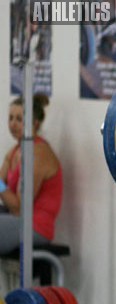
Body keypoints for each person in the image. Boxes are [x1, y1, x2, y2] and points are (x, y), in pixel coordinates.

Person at [0, 93, 62, 256]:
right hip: (17, 218)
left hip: (36, 226)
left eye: (19, 119)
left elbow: (19, 207)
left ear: (34, 123)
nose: (13, 124)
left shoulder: (39, 153)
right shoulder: (14, 151)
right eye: (11, 118)